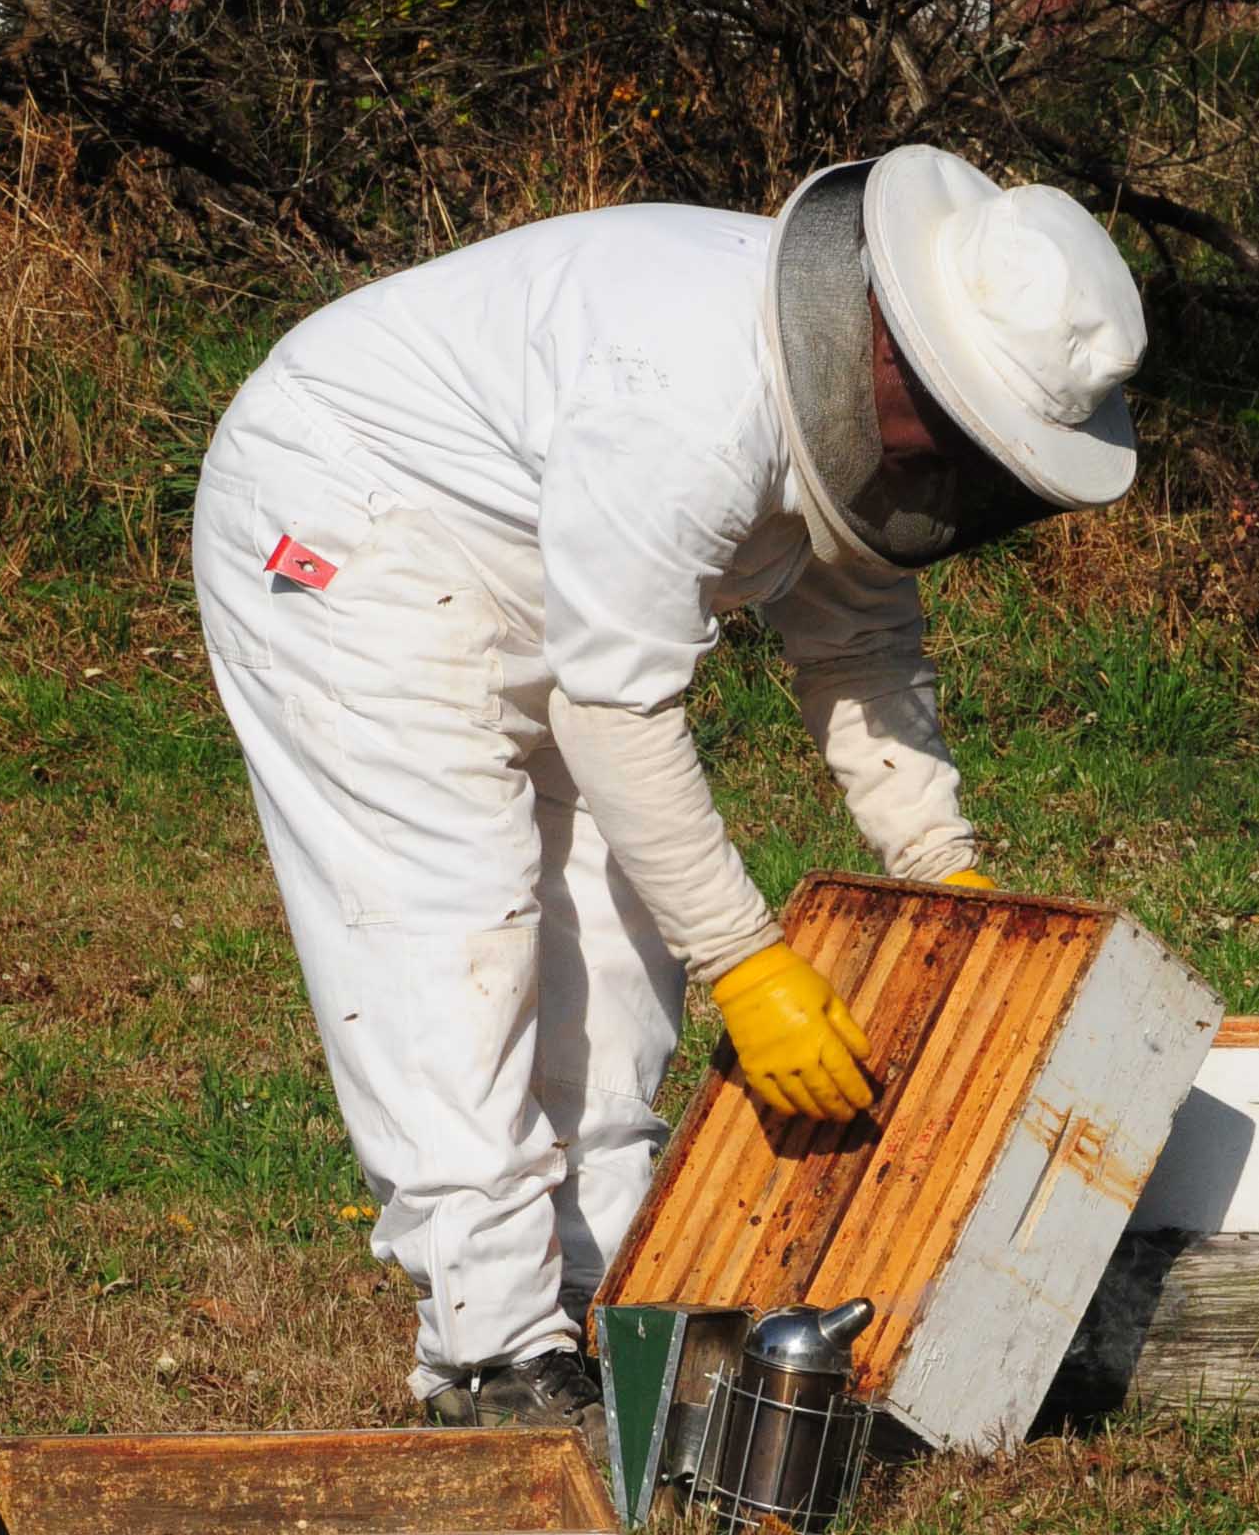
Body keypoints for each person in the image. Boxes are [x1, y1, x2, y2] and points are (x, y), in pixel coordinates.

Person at [192, 146, 1146, 1441]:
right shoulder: (688, 400)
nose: (961, 479)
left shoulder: (851, 417)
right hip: (347, 519)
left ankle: (602, 1300)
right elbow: (616, 712)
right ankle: (488, 1354)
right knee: (451, 911)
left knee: (614, 921)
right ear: (896, 357)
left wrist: (942, 868)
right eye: (961, 436)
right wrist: (747, 962)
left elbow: (860, 647)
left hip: (538, 547)